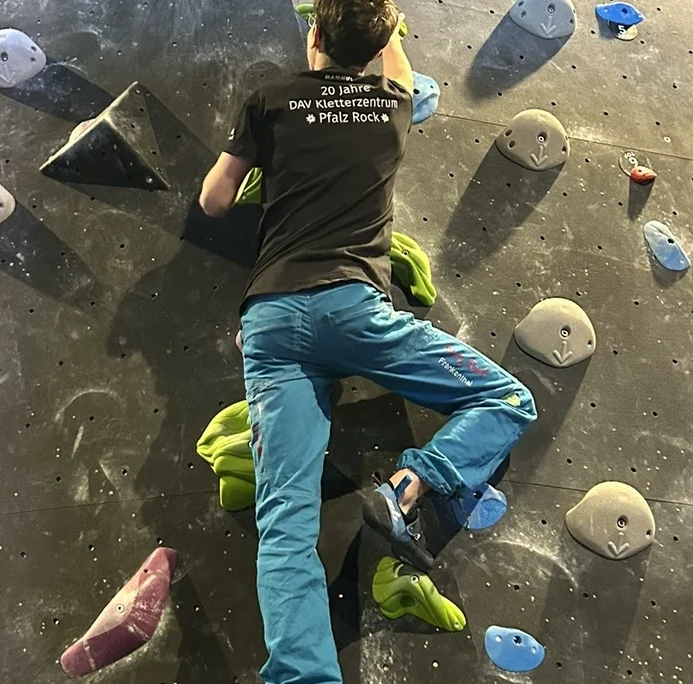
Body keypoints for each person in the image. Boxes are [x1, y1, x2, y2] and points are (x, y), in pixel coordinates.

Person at [197, 0, 538, 681]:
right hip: (356, 313)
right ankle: (411, 486)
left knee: (285, 519)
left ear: (314, 32)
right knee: (507, 400)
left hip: (273, 320)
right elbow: (397, 64)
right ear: (382, 45)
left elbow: (214, 200)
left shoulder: (268, 99)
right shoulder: (393, 104)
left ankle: (303, 675)